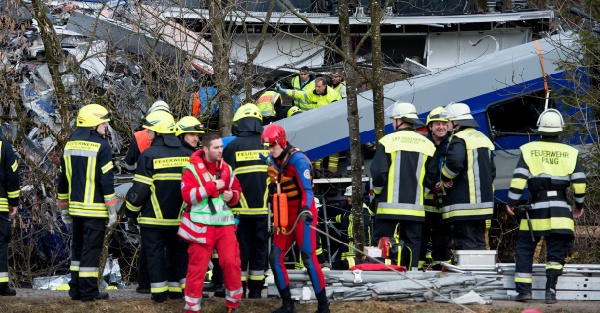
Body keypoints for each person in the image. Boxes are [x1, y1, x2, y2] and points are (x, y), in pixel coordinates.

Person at [506, 109, 585, 304]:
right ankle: (550, 292)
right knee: (556, 251)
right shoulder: (570, 152)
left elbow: (518, 180)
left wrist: (511, 203)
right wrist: (579, 204)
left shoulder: (528, 150)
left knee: (525, 248)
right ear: (560, 129)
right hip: (561, 210)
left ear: (539, 128)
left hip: (535, 209)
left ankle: (524, 292)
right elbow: (580, 182)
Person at [125, 110, 192, 303]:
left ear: (158, 131)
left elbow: (139, 190)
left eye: (150, 130)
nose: (147, 133)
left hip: (153, 218)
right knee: (178, 254)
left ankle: (159, 294)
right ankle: (179, 292)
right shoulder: (188, 154)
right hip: (181, 218)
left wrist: (130, 212)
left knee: (154, 254)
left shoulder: (149, 155)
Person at [262, 124, 330, 313]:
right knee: (275, 257)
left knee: (308, 257)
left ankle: (324, 307)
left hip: (302, 213)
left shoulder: (298, 160)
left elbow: (307, 191)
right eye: (268, 146)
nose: (270, 150)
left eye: (273, 146)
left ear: (281, 141)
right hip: (284, 214)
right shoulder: (273, 160)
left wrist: (305, 211)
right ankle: (287, 305)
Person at [178, 132, 243, 313]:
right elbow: (187, 196)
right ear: (205, 149)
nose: (220, 150)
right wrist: (211, 187)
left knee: (231, 263)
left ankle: (233, 304)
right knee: (197, 269)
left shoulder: (227, 169)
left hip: (224, 225)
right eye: (216, 147)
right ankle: (192, 308)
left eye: (221, 147)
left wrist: (232, 197)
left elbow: (237, 192)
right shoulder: (191, 169)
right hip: (200, 226)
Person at [57, 104, 116, 301]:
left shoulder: (70, 143)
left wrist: (63, 208)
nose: (106, 125)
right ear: (92, 123)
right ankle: (89, 292)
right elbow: (106, 181)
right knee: (91, 251)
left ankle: (75, 289)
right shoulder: (102, 146)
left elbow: (62, 180)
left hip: (75, 209)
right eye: (103, 122)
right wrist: (112, 209)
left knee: (78, 249)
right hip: (96, 210)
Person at [370, 101, 435, 270]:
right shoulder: (427, 144)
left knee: (380, 243)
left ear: (400, 120)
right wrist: (422, 194)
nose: (392, 124)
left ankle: (378, 273)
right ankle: (411, 275)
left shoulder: (387, 141)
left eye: (393, 120)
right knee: (413, 244)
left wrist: (378, 194)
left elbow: (378, 173)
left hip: (388, 208)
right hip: (415, 208)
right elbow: (432, 176)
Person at [124, 100, 172, 294]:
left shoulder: (139, 136)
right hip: (170, 191)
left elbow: (128, 165)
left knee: (149, 244)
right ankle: (170, 283)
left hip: (144, 191)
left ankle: (145, 284)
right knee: (173, 245)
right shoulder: (175, 135)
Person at [222, 104, 269, 298]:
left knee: (239, 249)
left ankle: (237, 290)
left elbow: (223, 179)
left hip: (238, 210)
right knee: (260, 249)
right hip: (263, 210)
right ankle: (256, 291)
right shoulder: (267, 144)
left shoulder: (232, 146)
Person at [440, 103, 495, 250]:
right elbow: (492, 171)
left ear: (456, 122)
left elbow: (454, 163)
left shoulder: (459, 138)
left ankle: (468, 273)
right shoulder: (483, 138)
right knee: (479, 242)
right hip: (483, 205)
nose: (447, 126)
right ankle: (482, 272)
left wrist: (445, 178)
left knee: (466, 243)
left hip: (463, 205)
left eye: (448, 122)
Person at [278, 77, 342, 174]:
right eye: (316, 86)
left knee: (333, 150)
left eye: (319, 87)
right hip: (317, 125)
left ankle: (332, 172)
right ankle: (317, 171)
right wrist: (284, 91)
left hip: (330, 125)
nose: (317, 89)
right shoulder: (312, 93)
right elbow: (299, 94)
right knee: (319, 147)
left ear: (325, 86)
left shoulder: (333, 95)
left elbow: (338, 111)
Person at [420, 107, 452, 269]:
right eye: (437, 124)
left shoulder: (453, 145)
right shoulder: (423, 145)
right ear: (430, 127)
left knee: (442, 243)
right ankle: (416, 273)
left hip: (444, 205)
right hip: (424, 205)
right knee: (420, 241)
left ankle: (443, 272)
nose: (441, 127)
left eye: (444, 124)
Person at [332, 186, 373, 269]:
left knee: (354, 267)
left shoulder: (363, 211)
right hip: (347, 246)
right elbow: (343, 218)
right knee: (343, 265)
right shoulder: (351, 210)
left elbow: (363, 229)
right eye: (347, 197)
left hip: (356, 247)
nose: (348, 199)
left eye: (350, 197)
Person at [0, 131, 20, 297]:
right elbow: (12, 176)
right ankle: (1, 285)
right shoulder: (4, 147)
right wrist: (14, 203)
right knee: (0, 245)